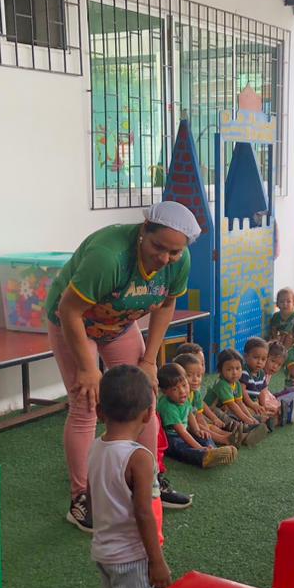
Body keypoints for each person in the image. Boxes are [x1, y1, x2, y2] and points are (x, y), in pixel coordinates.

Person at [47, 202, 200, 532]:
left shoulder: (180, 260)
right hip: (74, 323)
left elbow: (167, 304)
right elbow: (69, 310)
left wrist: (149, 361)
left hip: (118, 324)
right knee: (86, 403)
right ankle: (81, 497)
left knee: (144, 399)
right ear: (144, 230)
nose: (165, 258)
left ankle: (148, 481)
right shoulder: (109, 256)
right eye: (159, 247)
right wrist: (88, 369)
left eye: (174, 252)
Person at [89, 365, 170, 588]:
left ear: (99, 411)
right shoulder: (139, 457)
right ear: (149, 413)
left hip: (104, 553)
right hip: (133, 558)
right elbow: (143, 514)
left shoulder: (96, 447)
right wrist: (157, 561)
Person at [157, 363, 237, 469]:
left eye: (184, 385)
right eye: (175, 389)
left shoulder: (182, 397)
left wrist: (197, 430)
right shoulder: (168, 407)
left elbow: (189, 414)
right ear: (165, 392)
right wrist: (199, 448)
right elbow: (182, 432)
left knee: (203, 435)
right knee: (182, 448)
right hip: (171, 437)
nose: (182, 391)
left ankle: (213, 451)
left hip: (185, 431)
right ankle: (203, 457)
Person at [174, 351, 240, 449]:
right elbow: (189, 422)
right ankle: (224, 439)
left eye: (198, 375)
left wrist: (208, 428)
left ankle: (232, 436)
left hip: (193, 424)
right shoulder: (180, 396)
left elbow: (199, 416)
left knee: (209, 426)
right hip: (182, 428)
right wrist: (205, 429)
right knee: (201, 426)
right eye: (189, 375)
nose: (195, 379)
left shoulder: (195, 393)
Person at [207, 348, 263, 430]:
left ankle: (250, 421)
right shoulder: (222, 384)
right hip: (209, 411)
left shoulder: (236, 383)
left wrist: (250, 417)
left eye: (238, 368)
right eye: (229, 369)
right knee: (220, 412)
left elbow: (239, 403)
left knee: (238, 411)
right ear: (221, 370)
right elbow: (232, 405)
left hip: (224, 408)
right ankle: (238, 427)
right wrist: (246, 420)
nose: (234, 373)